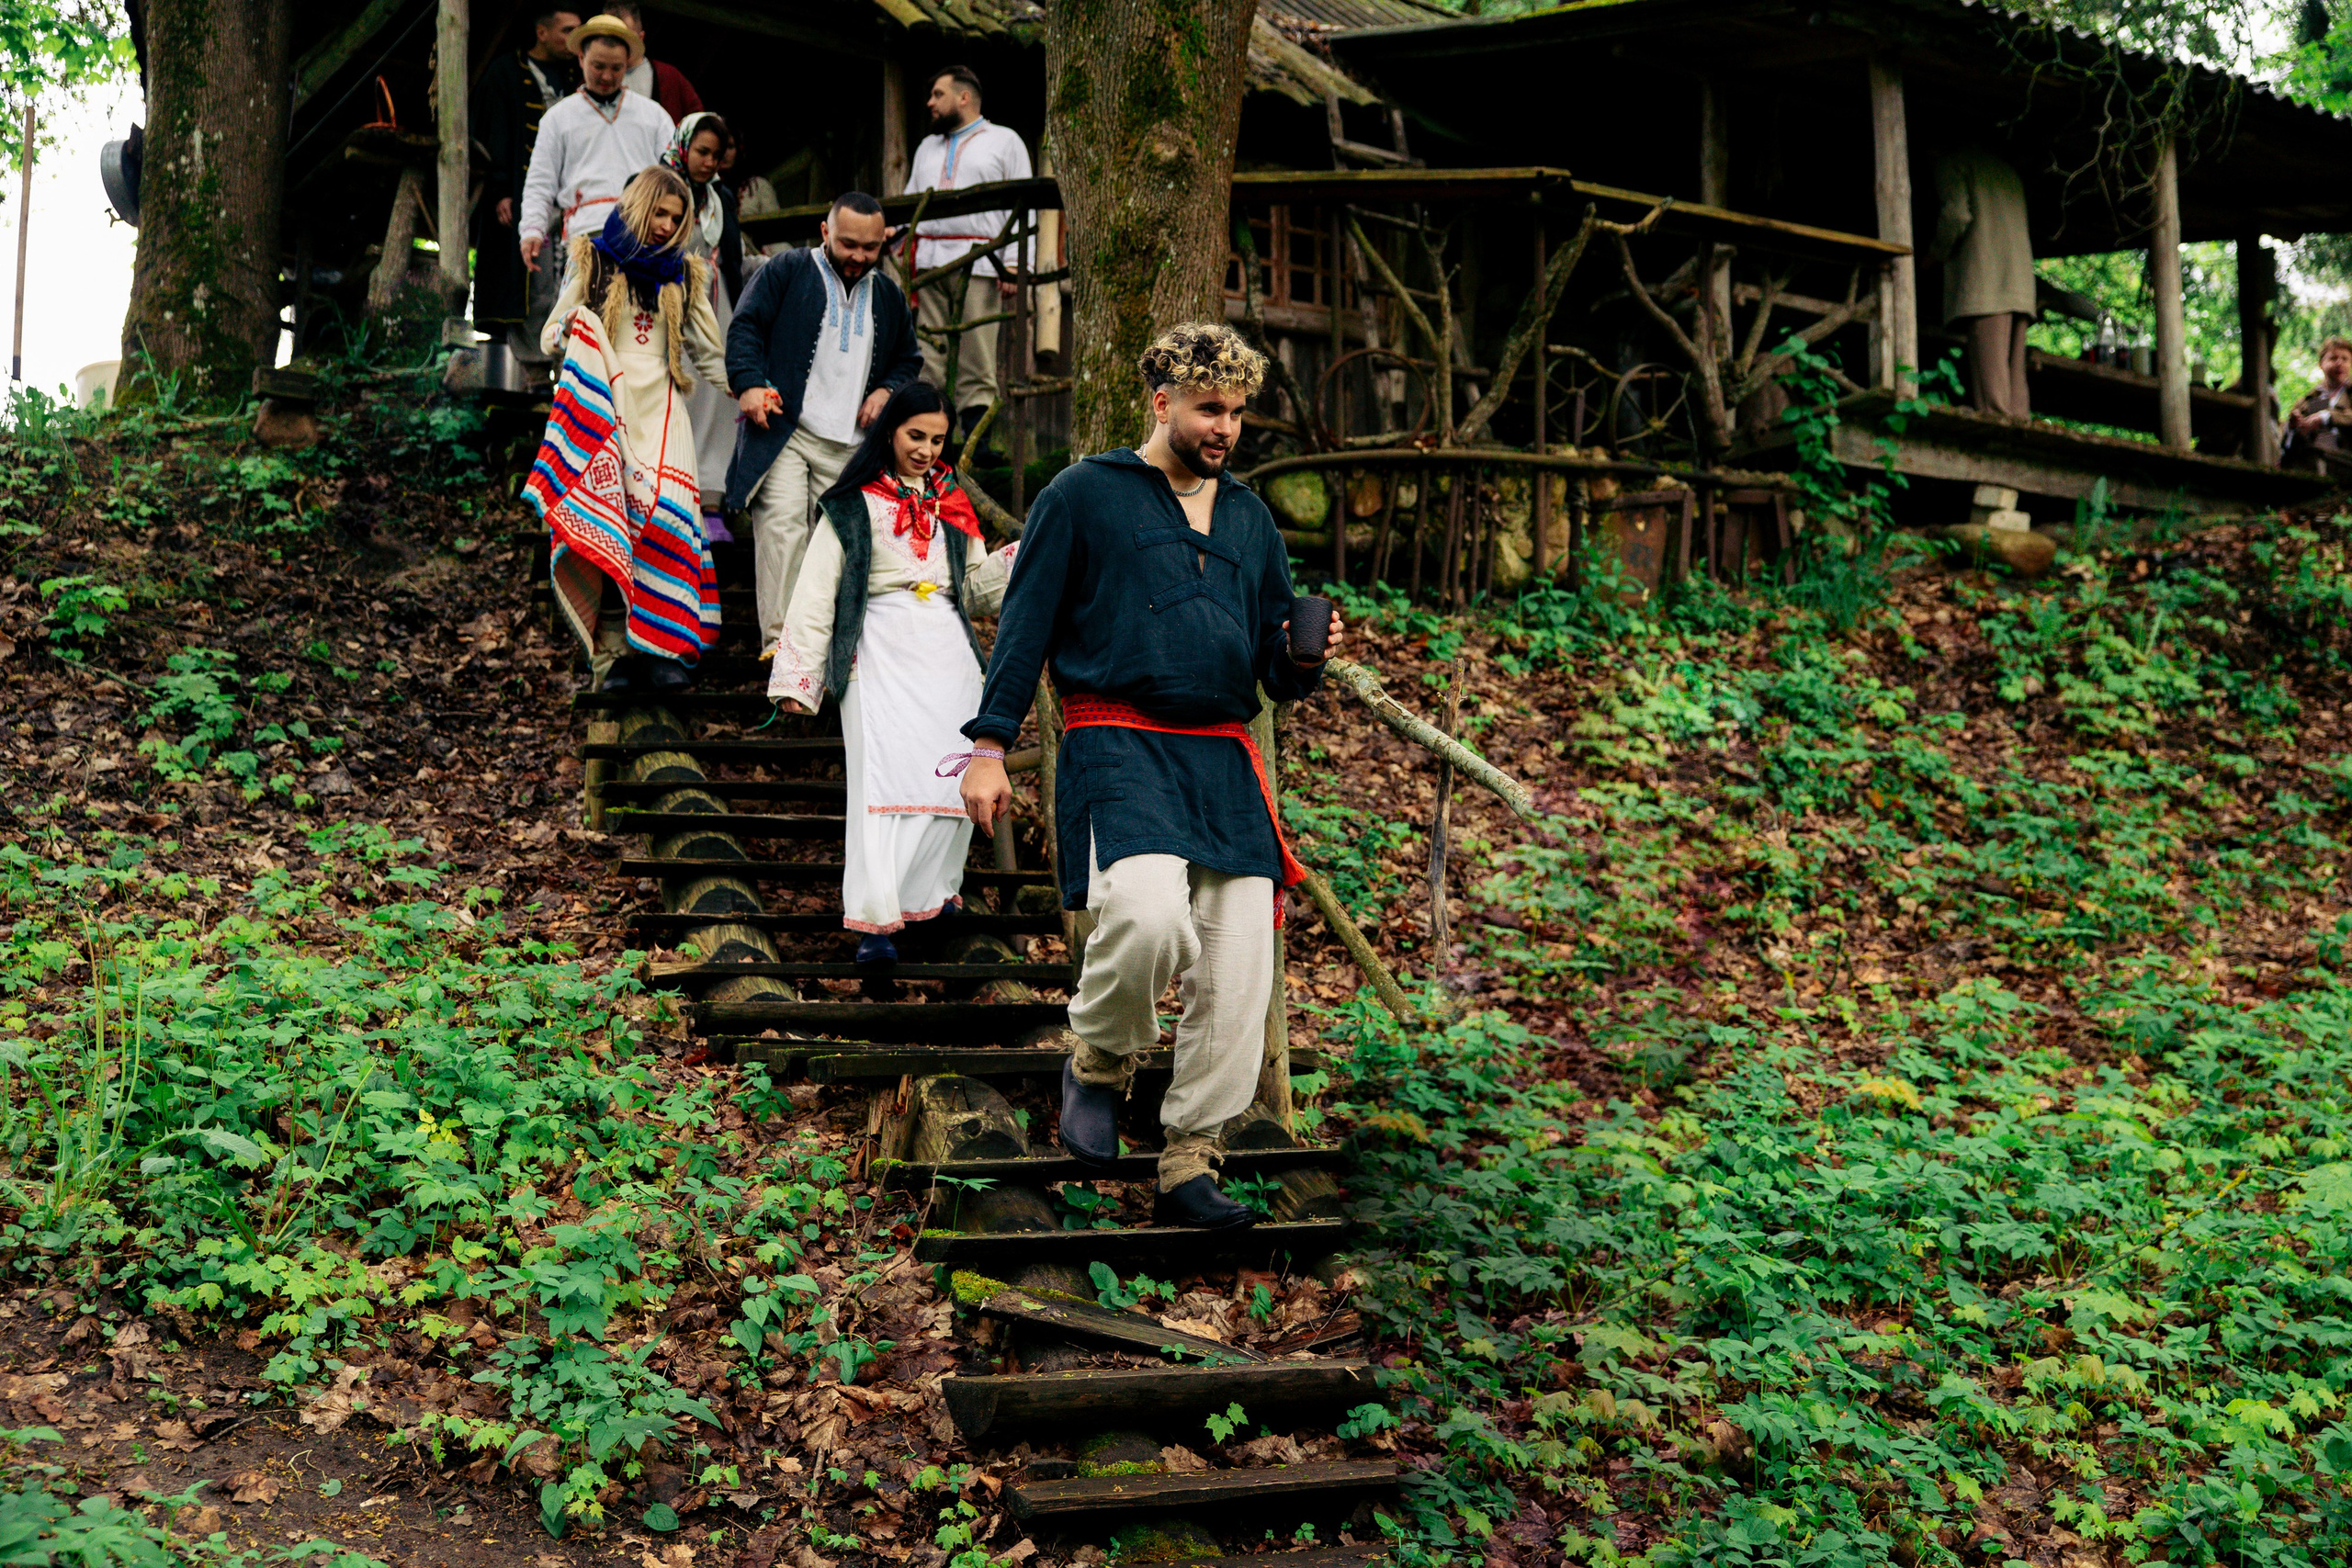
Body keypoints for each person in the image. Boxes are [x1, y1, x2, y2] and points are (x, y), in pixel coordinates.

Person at [956, 322, 1346, 1232]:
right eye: (1209, 408)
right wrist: (986, 743)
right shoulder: (1083, 496)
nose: (1225, 429)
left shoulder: (1248, 517)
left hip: (1222, 758)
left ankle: (1188, 1158)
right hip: (1118, 741)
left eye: (1239, 413)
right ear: (1160, 399)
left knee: (1242, 970)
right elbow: (1027, 626)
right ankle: (1097, 1061)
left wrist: (1309, 659)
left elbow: (1271, 669)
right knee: (1143, 915)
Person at [771, 382, 1018, 963]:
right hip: (878, 649)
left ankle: (932, 899)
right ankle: (877, 922)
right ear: (888, 431)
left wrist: (1024, 554)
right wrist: (797, 680)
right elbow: (815, 593)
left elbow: (977, 591)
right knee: (881, 783)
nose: (928, 449)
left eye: (937, 439)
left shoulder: (953, 502)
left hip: (948, 653)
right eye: (916, 436)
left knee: (948, 781)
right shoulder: (851, 505)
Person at [527, 165, 729, 694]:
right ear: (637, 205)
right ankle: (614, 657)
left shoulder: (686, 275)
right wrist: (572, 328)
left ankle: (664, 652)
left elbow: (711, 354)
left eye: (677, 217)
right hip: (606, 413)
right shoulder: (593, 260)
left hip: (663, 413)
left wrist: (749, 388)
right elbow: (552, 331)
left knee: (666, 523)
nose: (666, 225)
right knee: (613, 525)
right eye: (659, 212)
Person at [724, 192, 925, 662]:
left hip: (851, 446)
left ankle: (830, 652)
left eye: (869, 248)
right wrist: (750, 384)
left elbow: (906, 359)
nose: (858, 256)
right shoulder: (787, 270)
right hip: (785, 431)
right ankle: (783, 650)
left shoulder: (889, 294)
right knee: (782, 530)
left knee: (836, 545)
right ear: (824, 232)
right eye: (848, 243)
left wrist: (886, 391)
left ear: (883, 243)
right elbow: (745, 328)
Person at [904, 64, 1033, 437]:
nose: (930, 103)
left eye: (938, 94)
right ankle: (933, 439)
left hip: (980, 262)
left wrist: (1013, 263)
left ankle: (979, 444)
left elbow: (1022, 206)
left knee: (976, 356)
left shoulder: (1005, 140)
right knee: (930, 356)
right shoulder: (927, 146)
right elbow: (911, 200)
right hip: (930, 265)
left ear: (964, 97)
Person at [517, 13, 673, 287]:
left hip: (644, 237)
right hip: (584, 238)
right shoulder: (558, 117)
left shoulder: (654, 115)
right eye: (598, 66)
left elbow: (674, 178)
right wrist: (532, 230)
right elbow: (540, 182)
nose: (607, 76)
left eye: (617, 68)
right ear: (580, 58)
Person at [472, 8, 581, 352]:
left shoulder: (578, 76)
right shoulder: (505, 72)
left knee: (566, 282)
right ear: (542, 32)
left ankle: (562, 370)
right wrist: (500, 189)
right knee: (528, 283)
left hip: (570, 201)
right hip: (524, 194)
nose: (574, 40)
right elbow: (493, 135)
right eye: (567, 31)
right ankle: (530, 371)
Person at [660, 111, 745, 519]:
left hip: (715, 303)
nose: (709, 162)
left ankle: (711, 493)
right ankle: (671, 490)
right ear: (684, 146)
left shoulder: (721, 198)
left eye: (717, 154)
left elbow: (732, 257)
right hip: (666, 300)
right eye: (702, 151)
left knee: (716, 396)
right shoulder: (656, 186)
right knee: (675, 390)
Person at [1932, 145, 2037, 420]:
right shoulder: (2006, 170)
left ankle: (1995, 421)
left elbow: (1956, 215)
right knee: (2013, 368)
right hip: (2021, 278)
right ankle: (2018, 423)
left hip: (1986, 274)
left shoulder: (1952, 162)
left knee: (1990, 368)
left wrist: (1936, 252)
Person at [601, 1, 704, 124]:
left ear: (641, 38)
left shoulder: (669, 77)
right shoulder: (591, 78)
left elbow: (698, 124)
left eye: (626, 37)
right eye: (611, 38)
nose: (618, 44)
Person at [2282, 335, 2352, 473]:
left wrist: (2325, 417)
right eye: (2333, 358)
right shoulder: (2310, 400)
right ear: (2321, 363)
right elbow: (2286, 443)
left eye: (2345, 359)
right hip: (2312, 464)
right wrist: (2294, 427)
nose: (2339, 363)